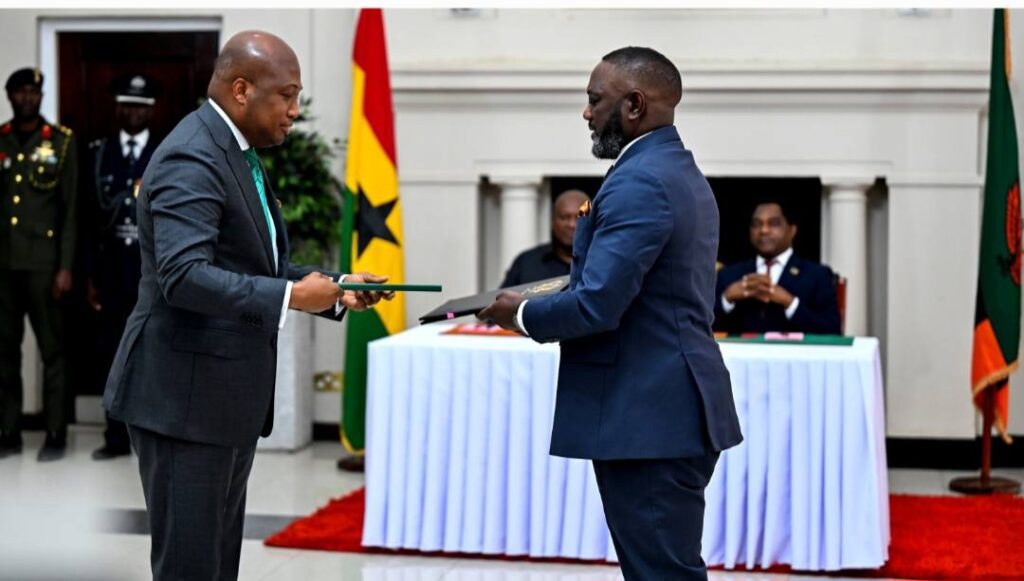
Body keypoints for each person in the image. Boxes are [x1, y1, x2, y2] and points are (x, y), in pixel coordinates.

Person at [101, 31, 391, 580]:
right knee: (191, 567)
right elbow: (184, 276)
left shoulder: (235, 149)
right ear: (241, 90)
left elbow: (251, 263)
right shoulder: (193, 154)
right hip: (183, 403)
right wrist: (291, 296)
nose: (294, 111)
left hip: (219, 402)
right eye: (286, 95)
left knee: (216, 565)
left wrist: (336, 286)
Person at [480, 47, 742, 580]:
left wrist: (520, 314)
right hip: (665, 410)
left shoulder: (640, 180)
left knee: (661, 574)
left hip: (650, 416)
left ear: (634, 105)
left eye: (595, 100)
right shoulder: (675, 168)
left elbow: (598, 305)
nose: (586, 113)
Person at [0, 67, 78, 462]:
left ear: (41, 96)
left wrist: (65, 267)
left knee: (53, 351)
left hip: (45, 266)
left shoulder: (61, 142)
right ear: (10, 96)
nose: (27, 98)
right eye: (21, 92)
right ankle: (9, 430)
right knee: (4, 352)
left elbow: (70, 211)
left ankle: (56, 431)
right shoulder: (1, 139)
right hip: (4, 265)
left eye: (33, 92)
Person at [84, 73, 162, 460]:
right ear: (118, 109)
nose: (134, 113)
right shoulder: (100, 152)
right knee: (112, 354)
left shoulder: (165, 152)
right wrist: (89, 275)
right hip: (112, 272)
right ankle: (115, 435)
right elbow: (88, 219)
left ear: (151, 112)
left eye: (141, 107)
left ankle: (152, 435)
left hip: (153, 273)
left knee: (155, 353)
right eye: (128, 106)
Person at [714, 201, 841, 335]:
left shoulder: (817, 275)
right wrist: (726, 299)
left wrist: (790, 303)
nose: (764, 230)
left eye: (773, 223)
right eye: (756, 224)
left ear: (792, 230)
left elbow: (832, 331)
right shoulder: (729, 275)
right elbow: (704, 329)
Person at [500, 189, 589, 287]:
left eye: (580, 217)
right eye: (564, 217)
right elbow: (503, 296)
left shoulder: (602, 262)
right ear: (552, 220)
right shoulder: (526, 262)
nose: (572, 224)